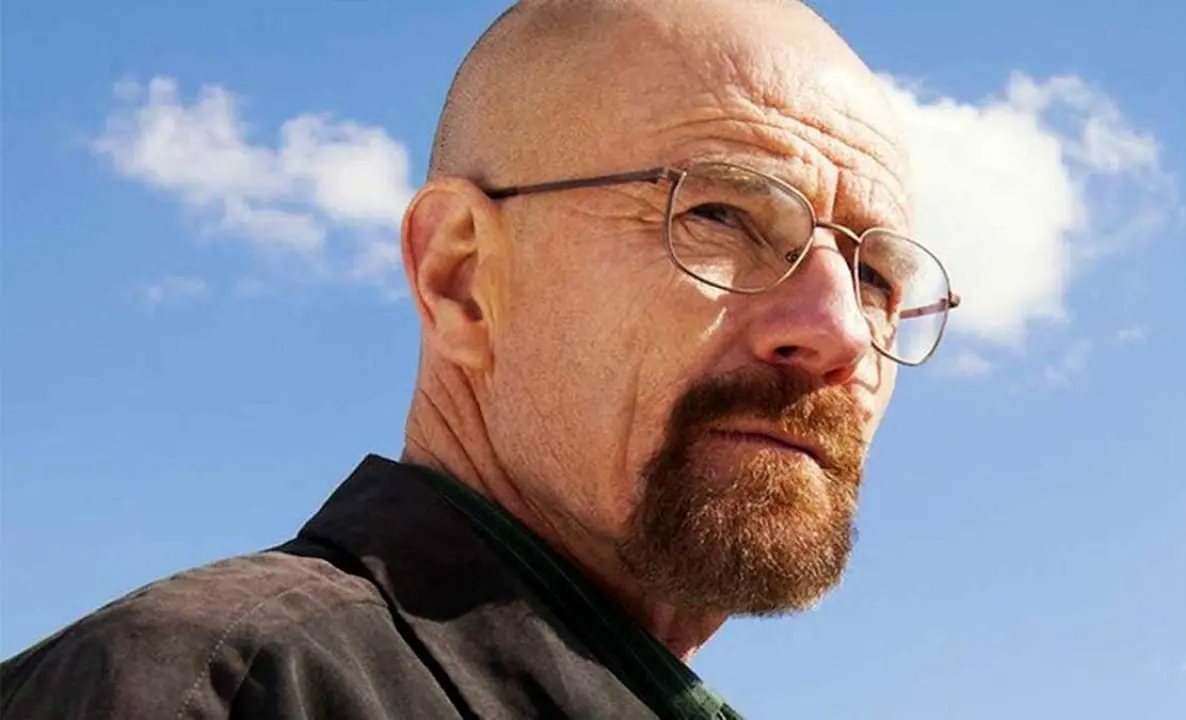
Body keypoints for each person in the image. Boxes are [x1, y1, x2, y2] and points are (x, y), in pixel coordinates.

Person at [1, 0, 961, 717]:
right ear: (460, 277)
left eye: (877, 277)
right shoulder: (226, 692)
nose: (839, 331)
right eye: (720, 215)